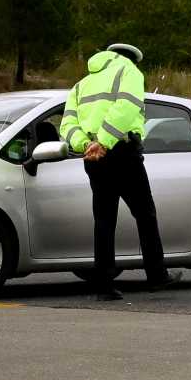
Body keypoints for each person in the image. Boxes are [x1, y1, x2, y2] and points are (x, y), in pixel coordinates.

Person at [62, 41, 168, 300]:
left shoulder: (81, 84)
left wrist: (87, 144)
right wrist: (106, 142)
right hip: (121, 152)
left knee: (104, 220)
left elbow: (67, 123)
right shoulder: (129, 71)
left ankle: (104, 285)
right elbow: (127, 107)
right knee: (145, 213)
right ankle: (156, 275)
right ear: (130, 58)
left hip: (94, 157)